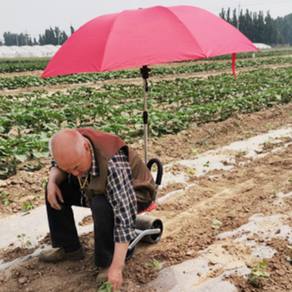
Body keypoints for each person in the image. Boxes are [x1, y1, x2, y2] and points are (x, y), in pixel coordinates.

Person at [39, 128, 155, 291]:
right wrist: (52, 182)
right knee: (56, 186)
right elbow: (57, 166)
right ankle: (69, 248)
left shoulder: (113, 162)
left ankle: (107, 262)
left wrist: (117, 266)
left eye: (77, 167)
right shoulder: (69, 145)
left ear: (86, 149)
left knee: (101, 203)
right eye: (69, 170)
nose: (75, 173)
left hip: (135, 193)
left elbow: (125, 216)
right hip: (94, 188)